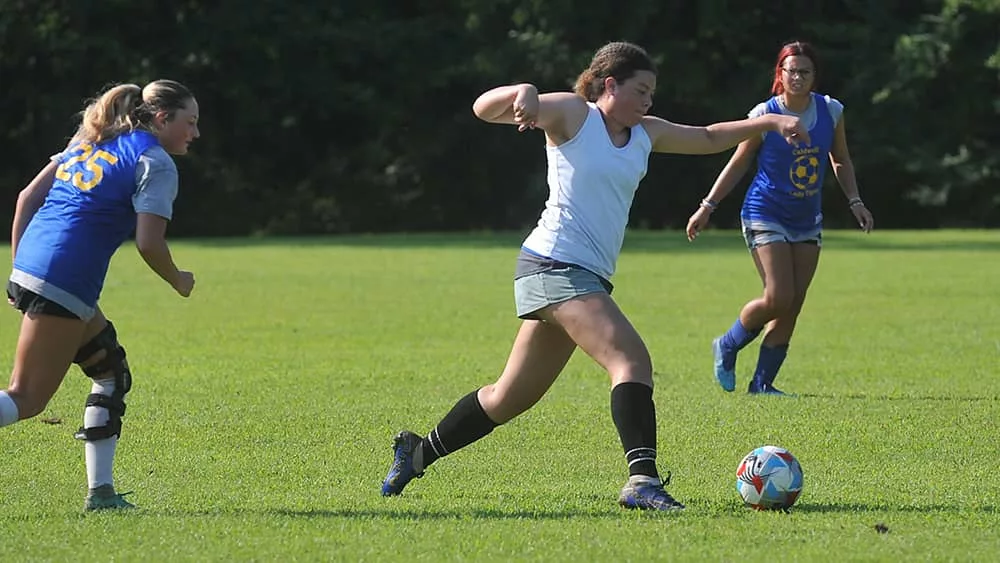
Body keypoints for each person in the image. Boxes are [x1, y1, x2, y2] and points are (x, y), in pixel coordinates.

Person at [380, 41, 808, 510]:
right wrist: (524, 90)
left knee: (508, 397)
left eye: (652, 94)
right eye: (641, 91)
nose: (648, 101)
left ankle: (417, 452)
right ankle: (642, 480)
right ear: (610, 85)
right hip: (554, 265)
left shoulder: (645, 132)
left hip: (580, 276)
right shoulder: (573, 115)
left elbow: (707, 136)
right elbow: (484, 109)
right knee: (631, 362)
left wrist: (769, 122)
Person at [1, 80, 199, 511]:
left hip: (37, 265)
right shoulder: (154, 161)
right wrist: (177, 279)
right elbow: (149, 243)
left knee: (110, 371)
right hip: (64, 277)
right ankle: (101, 494)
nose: (195, 133)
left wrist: (22, 268)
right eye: (190, 121)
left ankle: (102, 493)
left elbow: (25, 198)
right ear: (163, 119)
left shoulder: (93, 138)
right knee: (26, 398)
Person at [686, 41, 874, 396]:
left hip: (806, 218)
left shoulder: (831, 111)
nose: (798, 77)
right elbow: (740, 160)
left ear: (815, 76)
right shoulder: (764, 113)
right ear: (780, 75)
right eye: (792, 71)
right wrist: (708, 205)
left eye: (805, 71)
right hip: (764, 212)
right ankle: (726, 344)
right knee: (778, 297)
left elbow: (841, 159)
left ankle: (762, 384)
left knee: (794, 303)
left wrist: (855, 200)